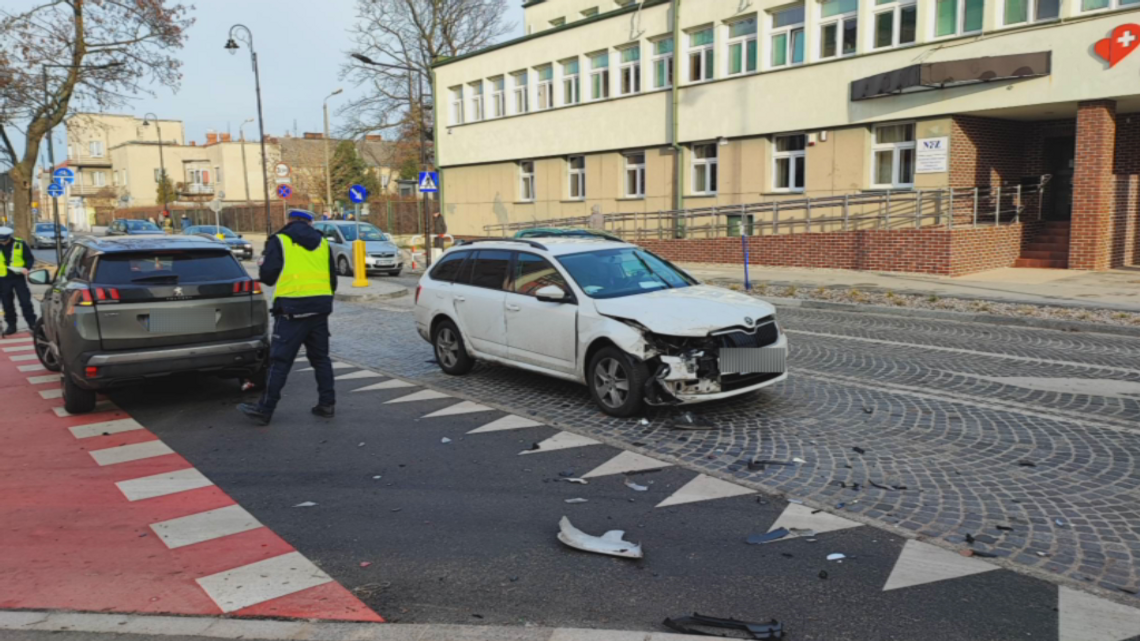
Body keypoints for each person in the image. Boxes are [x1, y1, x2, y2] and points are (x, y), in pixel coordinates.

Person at [238, 209, 338, 425]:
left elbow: (268, 277)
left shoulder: (279, 240)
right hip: (319, 309)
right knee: (321, 359)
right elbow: (332, 278)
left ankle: (265, 409)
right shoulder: (322, 242)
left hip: (292, 310)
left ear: (289, 221)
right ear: (310, 223)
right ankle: (327, 404)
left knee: (280, 361)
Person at [0, 226, 37, 337]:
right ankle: (11, 326)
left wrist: (27, 268)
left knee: (25, 302)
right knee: (7, 304)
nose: (3, 243)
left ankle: (32, 323)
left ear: (9, 238)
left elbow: (29, 258)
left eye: (5, 241)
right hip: (3, 279)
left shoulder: (20, 244)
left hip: (18, 277)